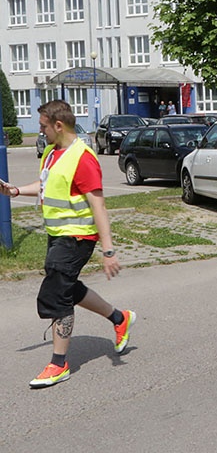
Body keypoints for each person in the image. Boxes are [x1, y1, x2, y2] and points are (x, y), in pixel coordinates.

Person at [0, 100, 134, 388]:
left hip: (78, 237)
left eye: (43, 126)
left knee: (56, 293)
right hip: (57, 235)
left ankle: (59, 363)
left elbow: (99, 206)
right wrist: (16, 191)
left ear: (58, 125)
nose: (41, 132)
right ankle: (119, 317)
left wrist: (108, 250)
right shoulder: (51, 153)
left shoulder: (82, 158)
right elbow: (46, 187)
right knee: (68, 287)